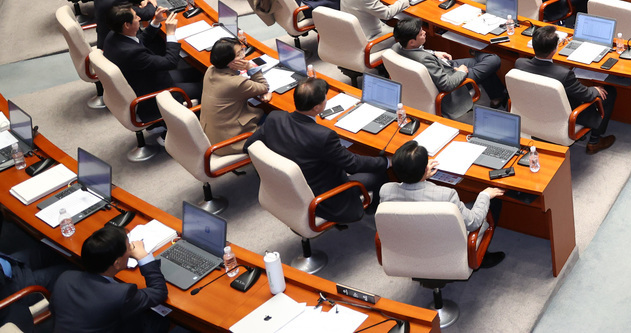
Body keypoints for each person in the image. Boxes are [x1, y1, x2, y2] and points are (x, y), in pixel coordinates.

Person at [249, 78, 387, 224]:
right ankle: (373, 208)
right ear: (317, 108)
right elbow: (353, 164)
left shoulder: (274, 118)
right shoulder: (323, 136)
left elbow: (250, 145)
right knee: (380, 173)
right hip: (324, 199)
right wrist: (386, 161)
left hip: (290, 189)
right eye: (325, 99)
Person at [381, 141, 507, 269]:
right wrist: (485, 195)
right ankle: (479, 255)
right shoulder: (446, 195)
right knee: (493, 202)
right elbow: (473, 222)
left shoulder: (386, 190)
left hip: (409, 246)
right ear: (425, 168)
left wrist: (422, 176)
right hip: (445, 248)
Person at [515, 24, 615, 153]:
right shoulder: (563, 75)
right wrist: (595, 89)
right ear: (554, 49)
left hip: (532, 110)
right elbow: (587, 95)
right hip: (565, 115)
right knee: (609, 92)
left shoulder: (520, 63)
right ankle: (595, 141)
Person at [51, 224, 168, 333]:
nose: (131, 249)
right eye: (129, 247)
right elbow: (159, 292)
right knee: (160, 320)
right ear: (116, 263)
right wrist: (144, 257)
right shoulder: (120, 294)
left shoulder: (65, 278)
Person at [391, 18, 506, 119]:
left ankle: (497, 96)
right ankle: (476, 51)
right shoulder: (425, 59)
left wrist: (434, 53)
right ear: (412, 42)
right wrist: (461, 71)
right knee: (493, 60)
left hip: (445, 67)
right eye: (421, 34)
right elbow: (447, 84)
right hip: (455, 82)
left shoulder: (397, 47)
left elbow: (418, 53)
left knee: (484, 66)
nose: (425, 33)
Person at [104, 4, 203, 115]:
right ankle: (193, 124)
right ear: (127, 25)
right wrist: (170, 34)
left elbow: (139, 41)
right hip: (155, 94)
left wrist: (156, 22)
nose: (139, 18)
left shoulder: (113, 35)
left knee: (198, 72)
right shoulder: (132, 53)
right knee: (204, 88)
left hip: (147, 78)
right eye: (136, 17)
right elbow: (170, 62)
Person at [200, 37, 270, 153]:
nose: (243, 55)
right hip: (231, 141)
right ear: (229, 62)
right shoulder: (235, 83)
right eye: (239, 54)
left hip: (212, 135)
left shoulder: (210, 70)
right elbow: (263, 86)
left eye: (242, 50)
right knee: (276, 118)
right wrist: (249, 67)